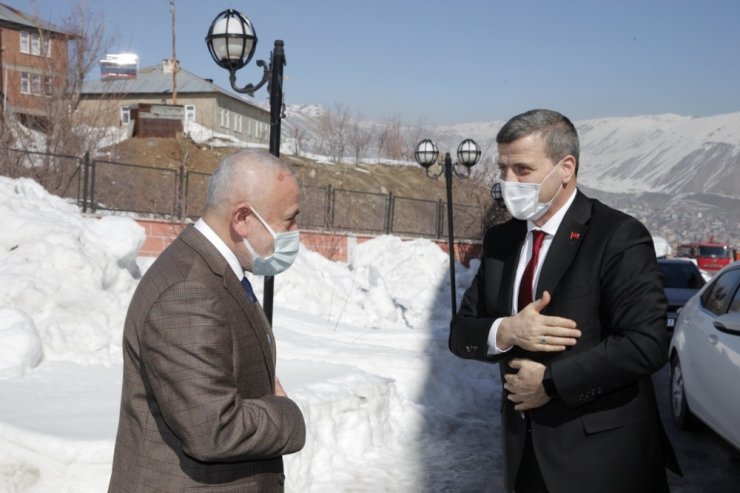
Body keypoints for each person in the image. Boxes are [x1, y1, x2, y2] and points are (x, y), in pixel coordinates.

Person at [450, 109, 680, 493]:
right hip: (523, 456)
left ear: (565, 167)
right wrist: (506, 330)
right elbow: (461, 334)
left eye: (522, 170)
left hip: (604, 462)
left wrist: (552, 383)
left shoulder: (616, 236)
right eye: (502, 169)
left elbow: (646, 343)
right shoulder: (501, 242)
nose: (508, 182)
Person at [108, 149, 306, 492]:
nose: (295, 231)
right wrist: (286, 415)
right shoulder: (187, 291)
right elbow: (213, 429)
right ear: (242, 219)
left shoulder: (216, 272)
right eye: (288, 219)